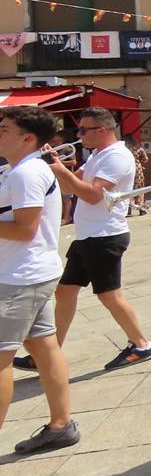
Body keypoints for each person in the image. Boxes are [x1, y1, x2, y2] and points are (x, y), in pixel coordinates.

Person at [14, 108, 151, 373]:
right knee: (65, 292)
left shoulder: (117, 156)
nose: (78, 136)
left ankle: (141, 344)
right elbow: (70, 187)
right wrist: (57, 164)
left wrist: (57, 167)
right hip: (89, 234)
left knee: (109, 295)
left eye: (83, 130)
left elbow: (91, 195)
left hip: (106, 235)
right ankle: (46, 354)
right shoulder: (98, 155)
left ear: (102, 130)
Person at [0, 107, 80, 454]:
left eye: (4, 129)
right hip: (31, 273)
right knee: (45, 347)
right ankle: (61, 425)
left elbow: (25, 228)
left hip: (19, 277)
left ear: (27, 138)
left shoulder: (26, 173)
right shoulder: (17, 170)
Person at [124, 136, 150, 216]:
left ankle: (129, 208)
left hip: (127, 168)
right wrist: (140, 162)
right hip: (138, 170)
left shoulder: (124, 150)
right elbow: (145, 159)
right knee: (139, 189)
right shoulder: (139, 149)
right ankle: (141, 208)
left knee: (128, 188)